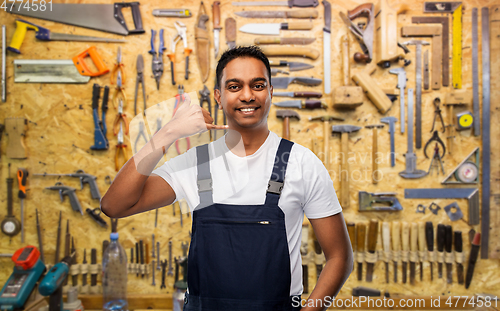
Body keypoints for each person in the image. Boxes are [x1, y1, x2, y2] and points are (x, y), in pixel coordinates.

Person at [101, 45, 353, 311]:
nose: (247, 95)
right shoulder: (195, 163)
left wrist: (312, 310)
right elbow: (114, 206)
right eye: (234, 87)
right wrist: (168, 133)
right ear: (218, 97)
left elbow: (339, 257)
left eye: (257, 85)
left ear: (270, 92)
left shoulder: (302, 163)